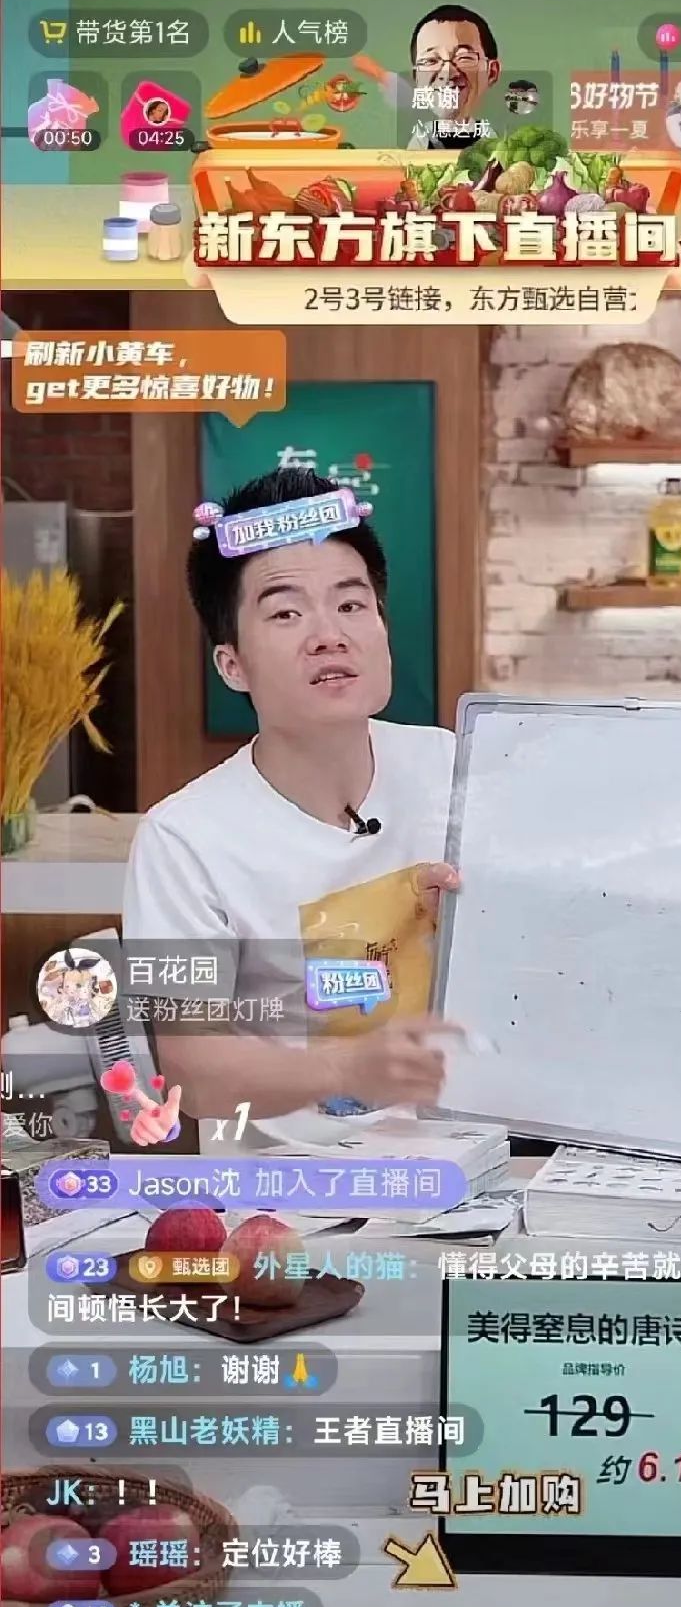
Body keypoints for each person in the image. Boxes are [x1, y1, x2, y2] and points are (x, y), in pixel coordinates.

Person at [123, 465, 461, 1151]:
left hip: (476, 1159)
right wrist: (346, 1068)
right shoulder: (178, 839)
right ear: (232, 665)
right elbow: (190, 1069)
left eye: (352, 605)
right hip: (290, 1186)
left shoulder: (452, 765)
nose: (329, 634)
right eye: (285, 612)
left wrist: (474, 919)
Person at [356, 5, 500, 151]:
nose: (447, 73)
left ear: (492, 72)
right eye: (431, 60)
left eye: (464, 57)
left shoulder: (487, 137)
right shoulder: (424, 136)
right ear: (416, 77)